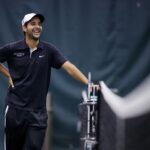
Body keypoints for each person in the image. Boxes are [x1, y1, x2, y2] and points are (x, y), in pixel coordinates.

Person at [0, 13, 88, 150]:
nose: (37, 27)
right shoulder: (12, 49)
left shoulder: (49, 50)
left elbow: (69, 67)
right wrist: (8, 74)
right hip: (14, 111)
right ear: (24, 28)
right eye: (33, 24)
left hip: (38, 114)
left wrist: (88, 83)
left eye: (39, 24)